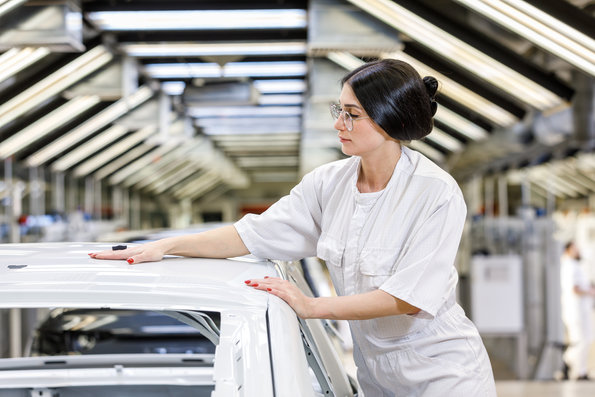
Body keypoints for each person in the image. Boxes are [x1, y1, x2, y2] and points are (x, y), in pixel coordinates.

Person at [90, 59, 496, 396]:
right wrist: (168, 245)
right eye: (338, 111)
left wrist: (311, 306)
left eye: (352, 115)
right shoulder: (328, 184)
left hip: (444, 376)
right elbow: (250, 234)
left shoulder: (435, 193)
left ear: (389, 120)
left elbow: (406, 298)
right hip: (378, 377)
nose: (339, 123)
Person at [560, 241, 595, 380]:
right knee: (580, 341)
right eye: (575, 249)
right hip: (576, 312)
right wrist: (590, 291)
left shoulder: (575, 266)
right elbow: (574, 289)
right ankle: (566, 361)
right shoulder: (569, 266)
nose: (578, 251)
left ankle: (581, 370)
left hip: (583, 311)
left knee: (586, 340)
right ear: (568, 250)